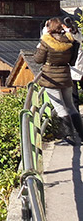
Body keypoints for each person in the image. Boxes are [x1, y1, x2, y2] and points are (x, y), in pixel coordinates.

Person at [34, 17, 83, 145]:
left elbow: (38, 59)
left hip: (51, 78)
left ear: (49, 28)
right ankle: (81, 134)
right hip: (65, 76)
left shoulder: (46, 41)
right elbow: (72, 60)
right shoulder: (69, 40)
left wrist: (43, 37)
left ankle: (68, 136)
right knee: (71, 106)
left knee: (60, 107)